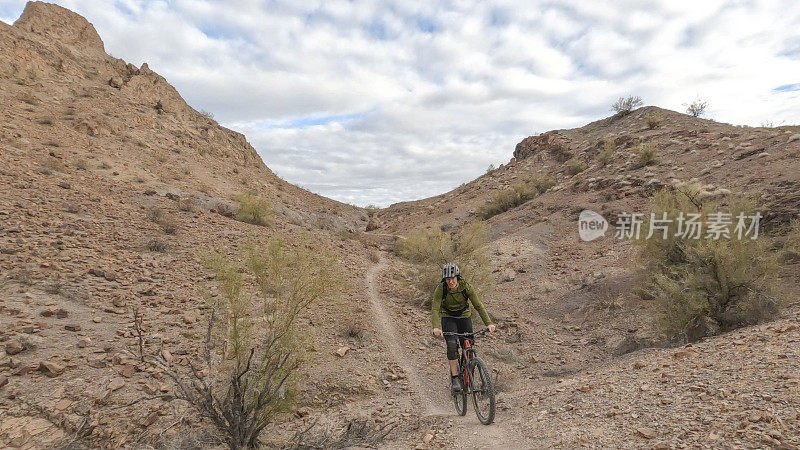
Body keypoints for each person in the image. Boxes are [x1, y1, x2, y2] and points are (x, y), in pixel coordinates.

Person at [431, 262, 495, 392]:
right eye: (448, 279)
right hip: (448, 317)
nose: (450, 282)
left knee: (468, 345)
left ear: (457, 277)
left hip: (464, 316)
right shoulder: (441, 289)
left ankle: (468, 372)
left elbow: (478, 306)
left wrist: (488, 323)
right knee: (452, 346)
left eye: (453, 278)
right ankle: (455, 378)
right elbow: (435, 308)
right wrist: (436, 327)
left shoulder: (466, 287)